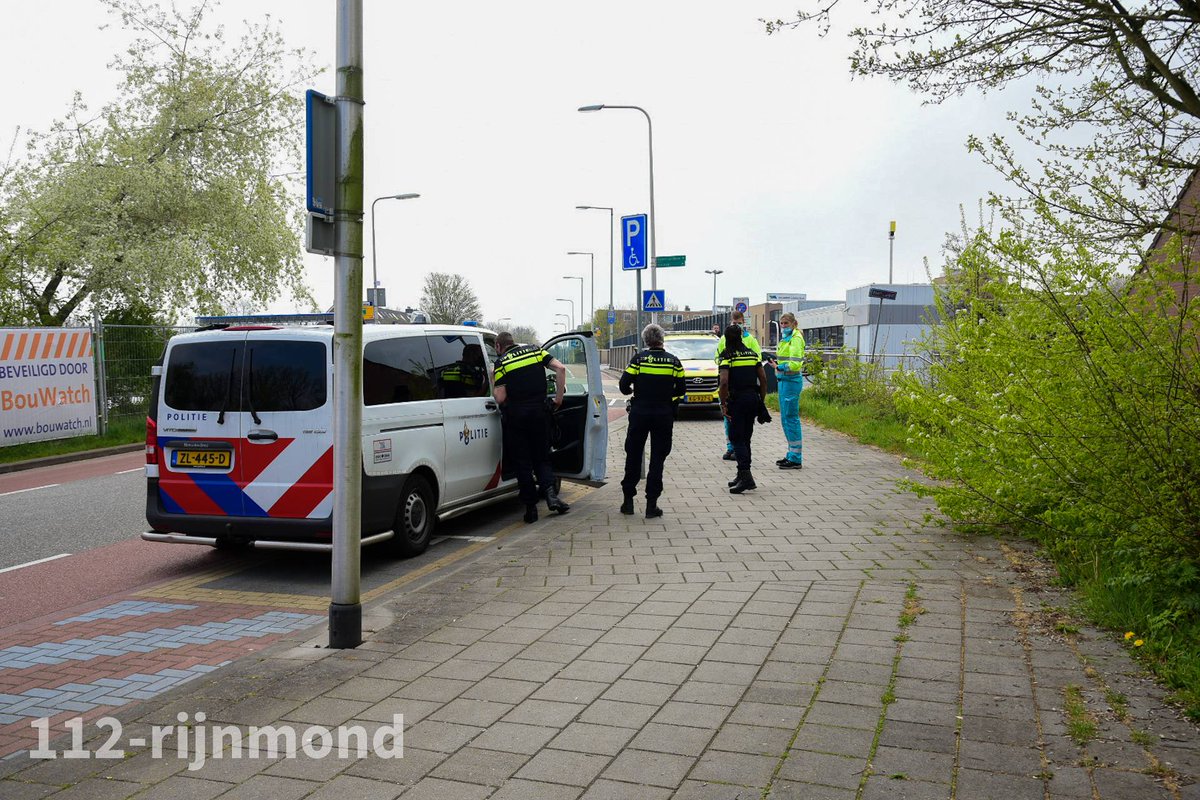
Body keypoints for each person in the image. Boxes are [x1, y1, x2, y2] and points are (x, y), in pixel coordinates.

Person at [493, 332, 570, 523]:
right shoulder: (536, 351)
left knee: (523, 462)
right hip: (540, 413)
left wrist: (493, 380)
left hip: (517, 417)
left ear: (498, 346)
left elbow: (500, 398)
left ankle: (531, 509)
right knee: (542, 458)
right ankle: (551, 497)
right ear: (514, 342)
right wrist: (558, 399)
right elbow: (560, 368)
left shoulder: (501, 362)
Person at [619, 323, 686, 518]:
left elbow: (623, 385)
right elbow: (681, 390)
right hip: (663, 414)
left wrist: (633, 391)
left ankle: (628, 502)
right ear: (662, 339)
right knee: (658, 458)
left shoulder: (638, 360)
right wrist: (666, 396)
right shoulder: (674, 362)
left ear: (646, 340)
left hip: (639, 413)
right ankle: (651, 505)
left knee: (633, 455)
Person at [718, 324, 767, 494]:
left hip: (737, 400)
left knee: (736, 438)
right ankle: (741, 474)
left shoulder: (727, 356)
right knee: (746, 438)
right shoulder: (752, 355)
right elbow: (763, 378)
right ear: (740, 336)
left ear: (726, 339)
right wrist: (761, 400)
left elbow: (724, 382)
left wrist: (723, 404)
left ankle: (746, 477)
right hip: (752, 399)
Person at [715, 310, 761, 460]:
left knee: (742, 422)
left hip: (742, 384)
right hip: (729, 383)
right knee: (729, 420)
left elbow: (758, 358)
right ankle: (731, 448)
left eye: (739, 323)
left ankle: (740, 451)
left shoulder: (751, 340)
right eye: (734, 323)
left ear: (744, 323)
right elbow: (717, 357)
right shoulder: (724, 338)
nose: (737, 326)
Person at [767, 312, 804, 469]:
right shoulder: (785, 339)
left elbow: (795, 364)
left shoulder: (796, 339)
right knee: (785, 419)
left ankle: (796, 458)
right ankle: (791, 454)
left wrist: (778, 367)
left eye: (786, 323)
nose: (783, 326)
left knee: (791, 418)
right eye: (781, 323)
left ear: (794, 323)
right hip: (783, 381)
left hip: (791, 381)